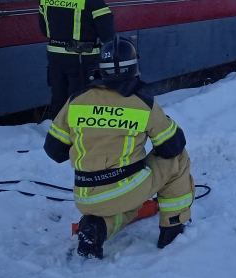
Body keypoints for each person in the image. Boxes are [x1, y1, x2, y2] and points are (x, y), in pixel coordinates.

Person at [43, 35, 195, 258]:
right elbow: (172, 148)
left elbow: (54, 151)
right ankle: (173, 228)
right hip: (125, 189)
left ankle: (96, 229)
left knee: (127, 209)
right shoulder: (143, 104)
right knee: (178, 160)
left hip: (85, 196)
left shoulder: (77, 100)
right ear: (134, 69)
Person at [38, 0, 115, 118]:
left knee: (59, 97)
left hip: (55, 57)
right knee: (80, 98)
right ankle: (78, 136)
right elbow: (107, 31)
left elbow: (44, 29)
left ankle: (58, 136)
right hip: (82, 58)